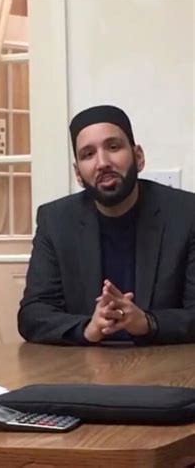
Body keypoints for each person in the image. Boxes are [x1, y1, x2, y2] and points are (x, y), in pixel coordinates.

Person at [18, 105, 195, 345]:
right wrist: (87, 328)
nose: (102, 163)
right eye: (88, 154)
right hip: (85, 368)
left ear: (138, 157)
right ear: (78, 174)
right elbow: (32, 314)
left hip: (167, 364)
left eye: (113, 147)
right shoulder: (55, 220)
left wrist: (148, 322)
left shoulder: (186, 214)